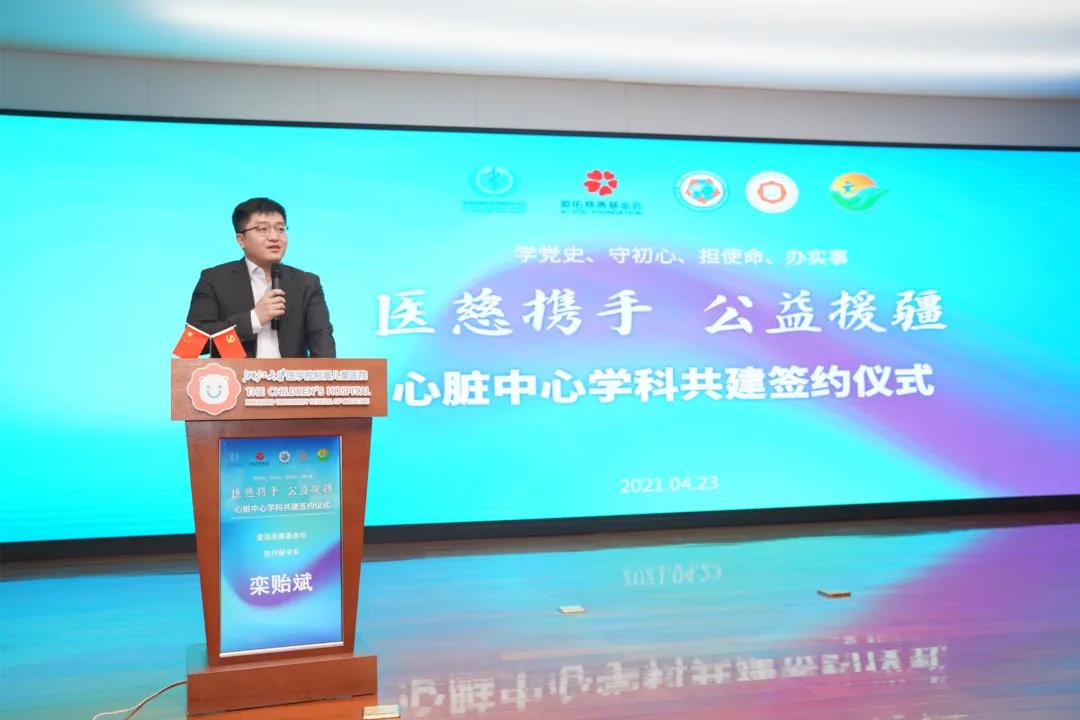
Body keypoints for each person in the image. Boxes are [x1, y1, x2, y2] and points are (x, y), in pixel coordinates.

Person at [186, 198, 336, 358]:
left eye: (280, 229)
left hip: (290, 375)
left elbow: (323, 345)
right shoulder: (215, 279)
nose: (275, 237)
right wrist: (254, 319)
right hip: (236, 374)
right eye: (263, 229)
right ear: (241, 240)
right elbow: (194, 344)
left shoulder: (306, 283)